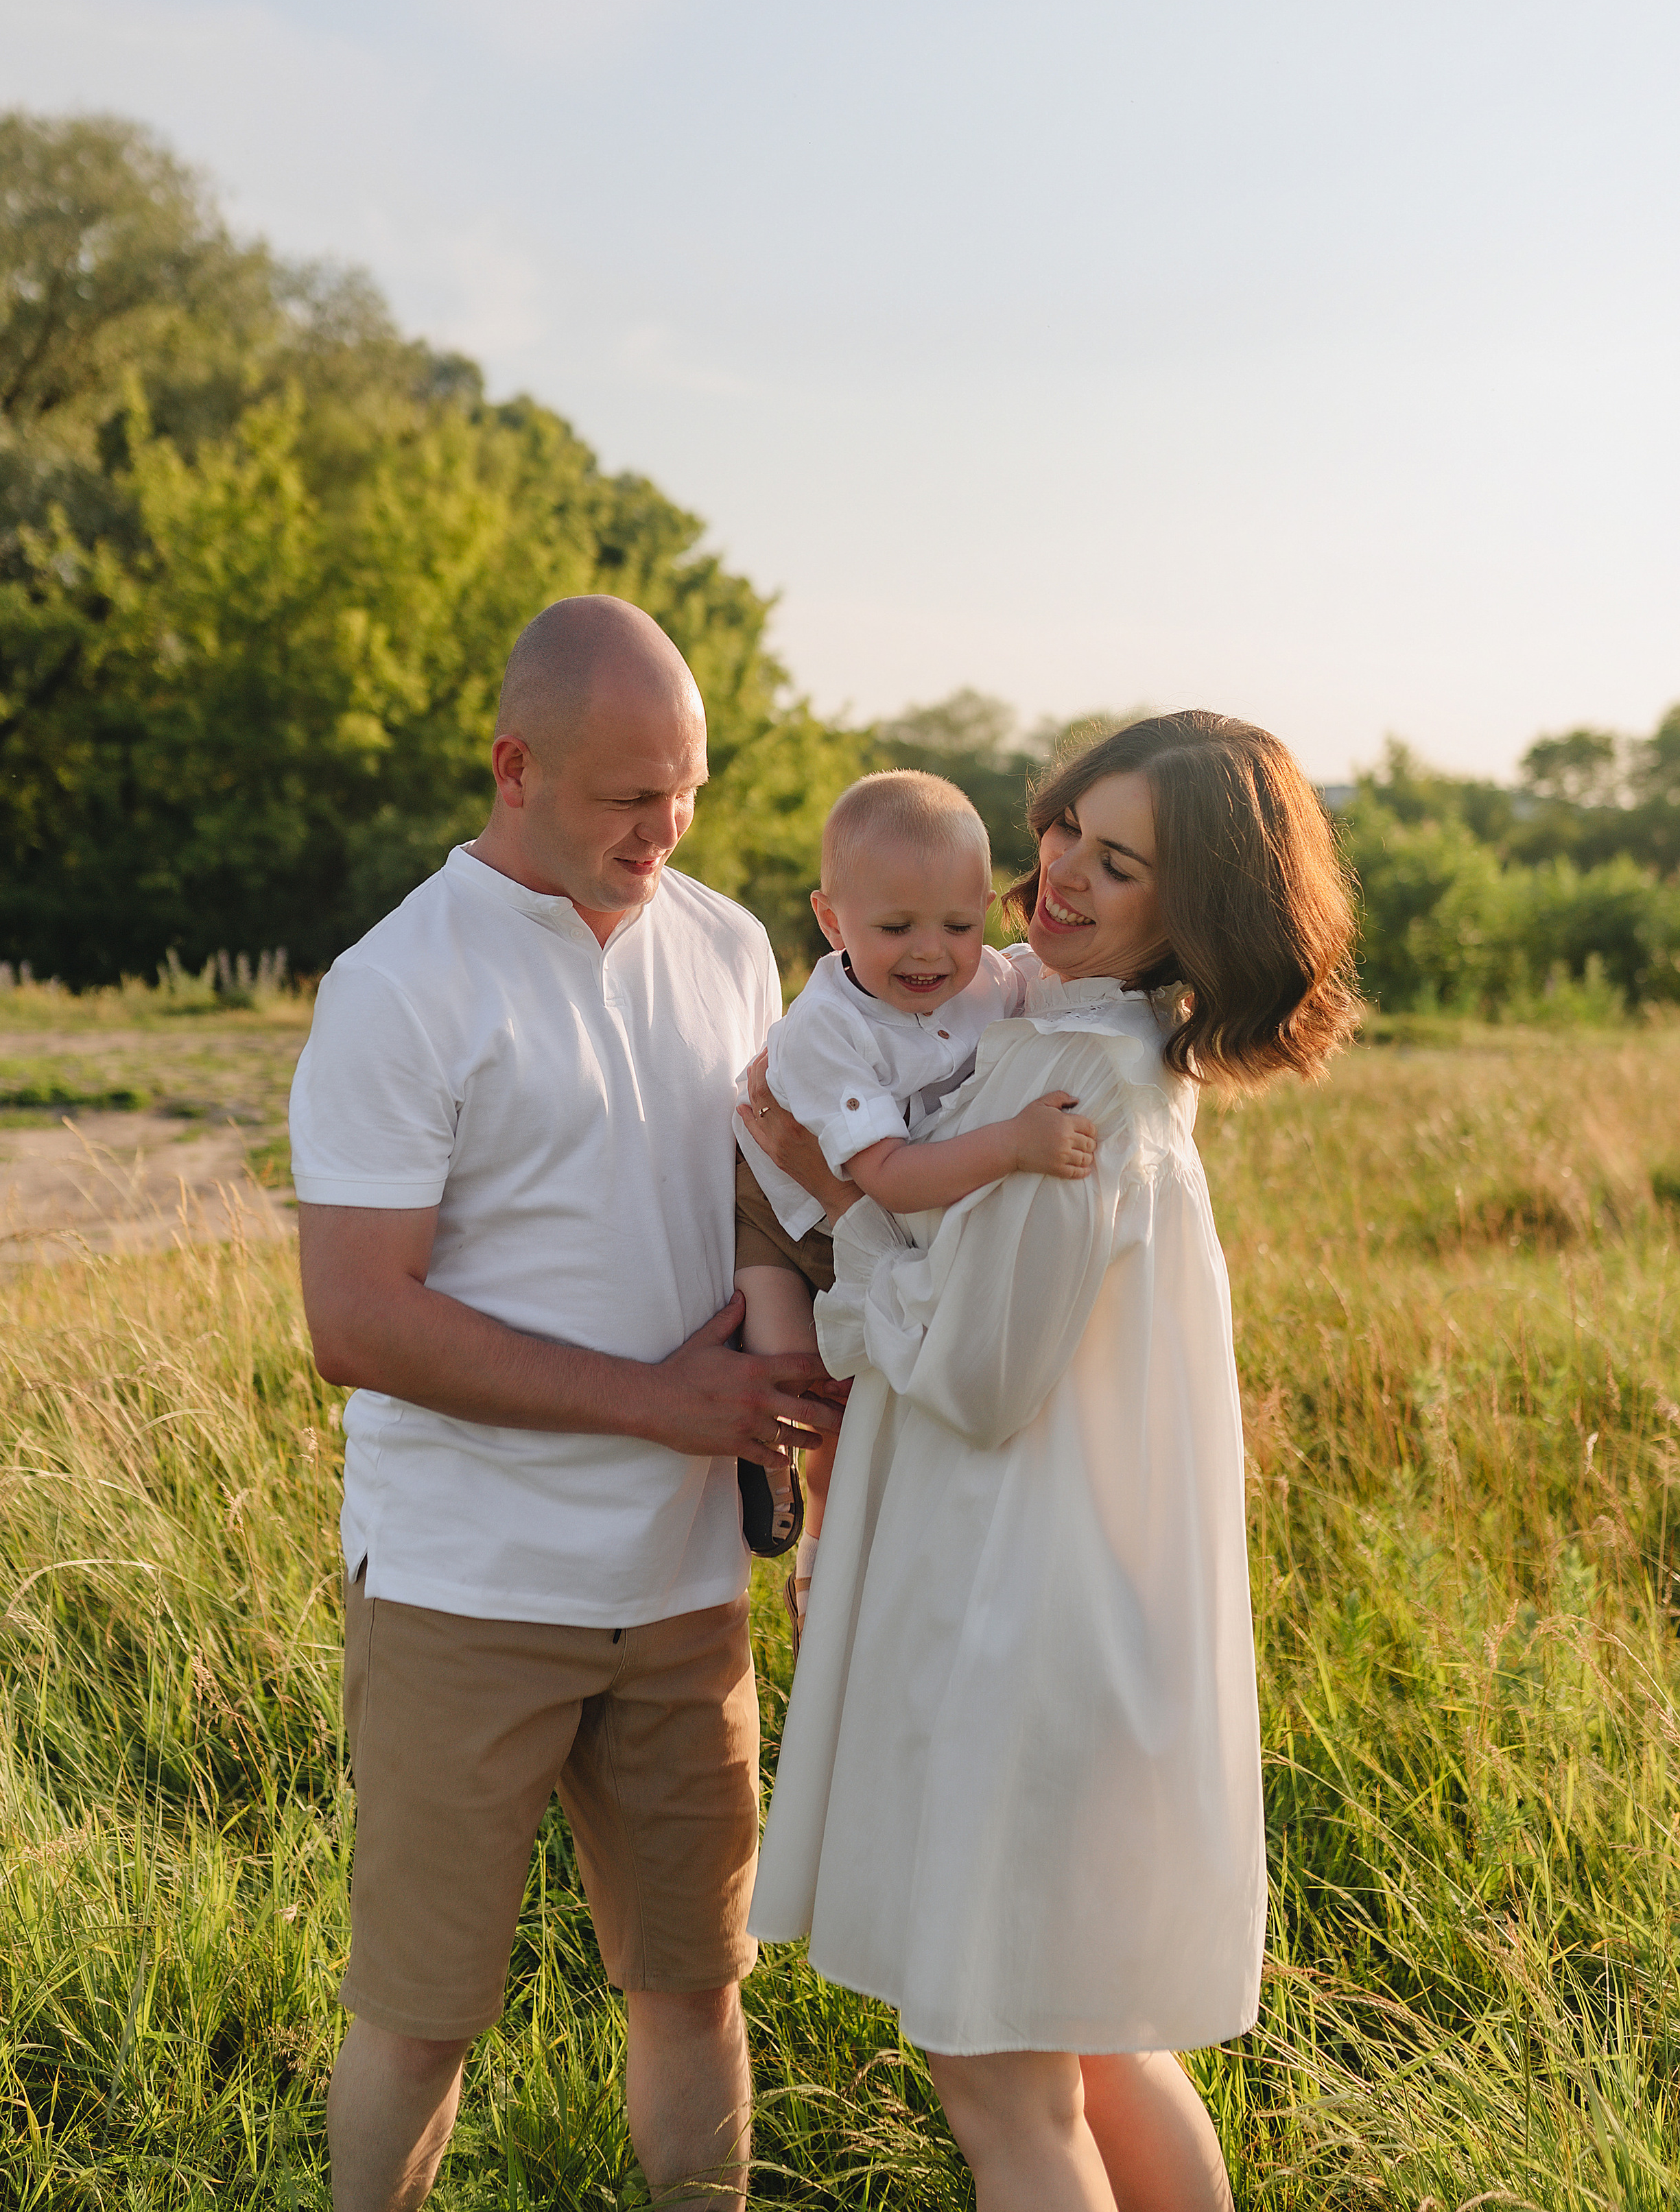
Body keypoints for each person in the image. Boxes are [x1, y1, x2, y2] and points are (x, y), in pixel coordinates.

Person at [746, 711, 1359, 2212]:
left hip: (1011, 1638)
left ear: (1189, 909)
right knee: (1091, 2046)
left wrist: (837, 1195)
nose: (1060, 876)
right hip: (1079, 1611)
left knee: (1001, 2080)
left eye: (1119, 860)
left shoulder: (1067, 1077)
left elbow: (975, 1368)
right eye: (1068, 827)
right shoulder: (1120, 1048)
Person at [289, 595, 843, 2212]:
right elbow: (355, 1318)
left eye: (685, 788)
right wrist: (661, 1403)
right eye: (626, 797)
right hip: (468, 1584)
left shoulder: (732, 947)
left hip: (684, 1588)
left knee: (694, 1984)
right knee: (422, 2016)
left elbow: (777, 1221)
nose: (663, 829)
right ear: (513, 766)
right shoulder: (399, 981)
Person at [733, 768, 1098, 1639]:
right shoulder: (828, 1028)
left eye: (958, 925)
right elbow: (886, 1177)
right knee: (801, 1388)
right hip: (776, 1214)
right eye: (894, 928)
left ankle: (825, 1554)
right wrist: (1012, 1142)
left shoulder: (988, 980)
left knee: (855, 1407)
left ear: (985, 909)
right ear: (832, 920)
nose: (929, 953)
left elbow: (1053, 988)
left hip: (854, 1212)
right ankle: (777, 1488)